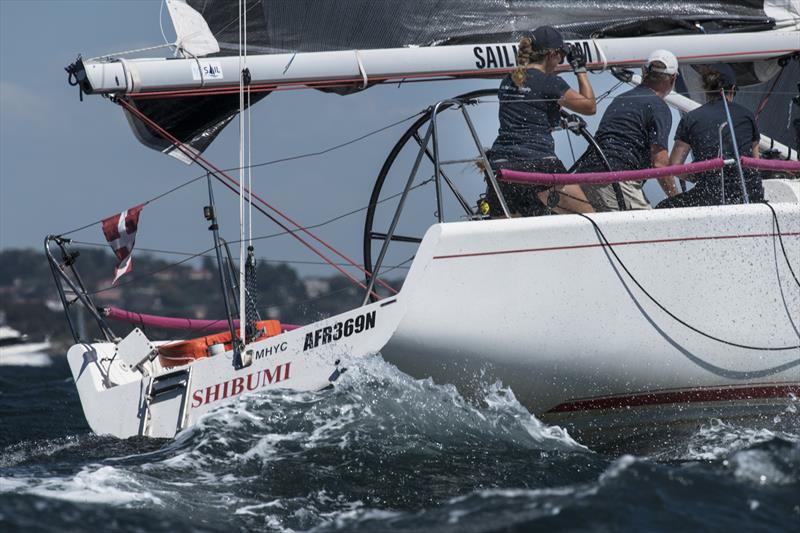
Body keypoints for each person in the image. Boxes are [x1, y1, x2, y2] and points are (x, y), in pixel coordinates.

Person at [484, 25, 597, 217]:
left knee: (508, 236)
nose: (561, 61)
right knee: (590, 220)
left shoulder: (509, 80)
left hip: (500, 166)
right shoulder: (550, 82)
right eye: (561, 55)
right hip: (536, 165)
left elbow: (525, 117)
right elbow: (589, 107)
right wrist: (580, 69)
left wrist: (560, 123)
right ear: (552, 54)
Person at [579, 50, 681, 211]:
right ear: (673, 79)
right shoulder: (658, 107)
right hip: (615, 178)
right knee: (650, 232)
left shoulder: (621, 99)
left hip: (586, 175)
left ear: (644, 71)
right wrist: (676, 198)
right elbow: (660, 164)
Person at [656, 63, 762, 208]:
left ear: (706, 90)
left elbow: (675, 166)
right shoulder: (748, 116)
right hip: (749, 195)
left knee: (663, 207)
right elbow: (756, 163)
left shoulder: (691, 118)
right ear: (732, 89)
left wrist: (696, 177)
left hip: (710, 196)